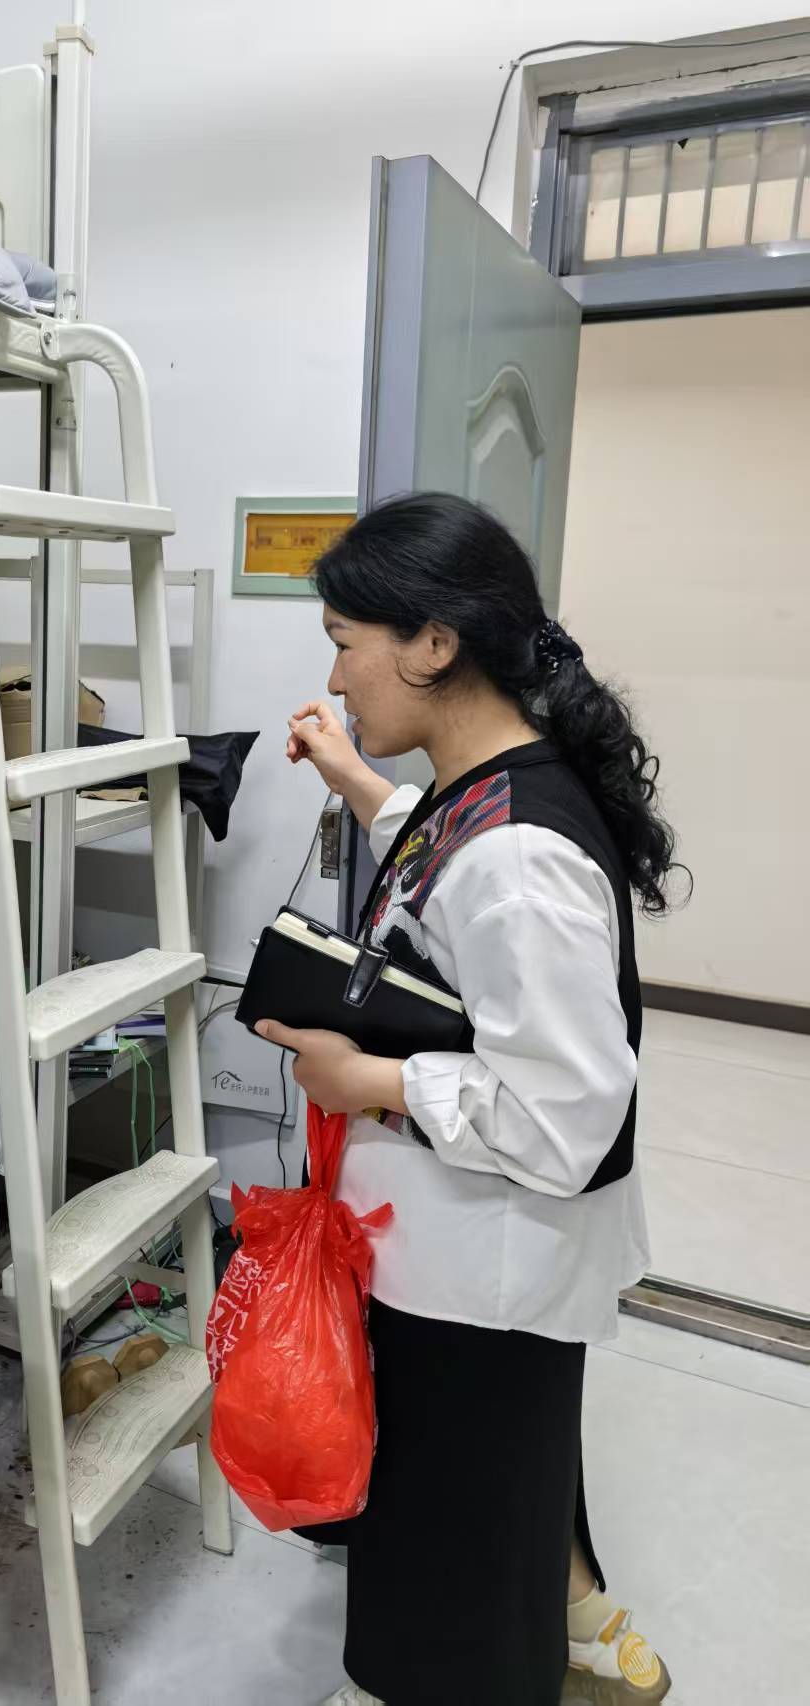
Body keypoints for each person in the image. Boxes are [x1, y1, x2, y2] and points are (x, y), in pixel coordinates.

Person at [257, 495, 680, 1706]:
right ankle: (572, 1623)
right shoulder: (486, 783)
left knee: (453, 1554)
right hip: (472, 1260)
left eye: (345, 643)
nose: (334, 676)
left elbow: (562, 1118)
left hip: (482, 1273)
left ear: (432, 644)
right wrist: (355, 779)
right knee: (500, 1499)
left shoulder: (517, 859)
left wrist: (368, 1078)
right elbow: (443, 859)